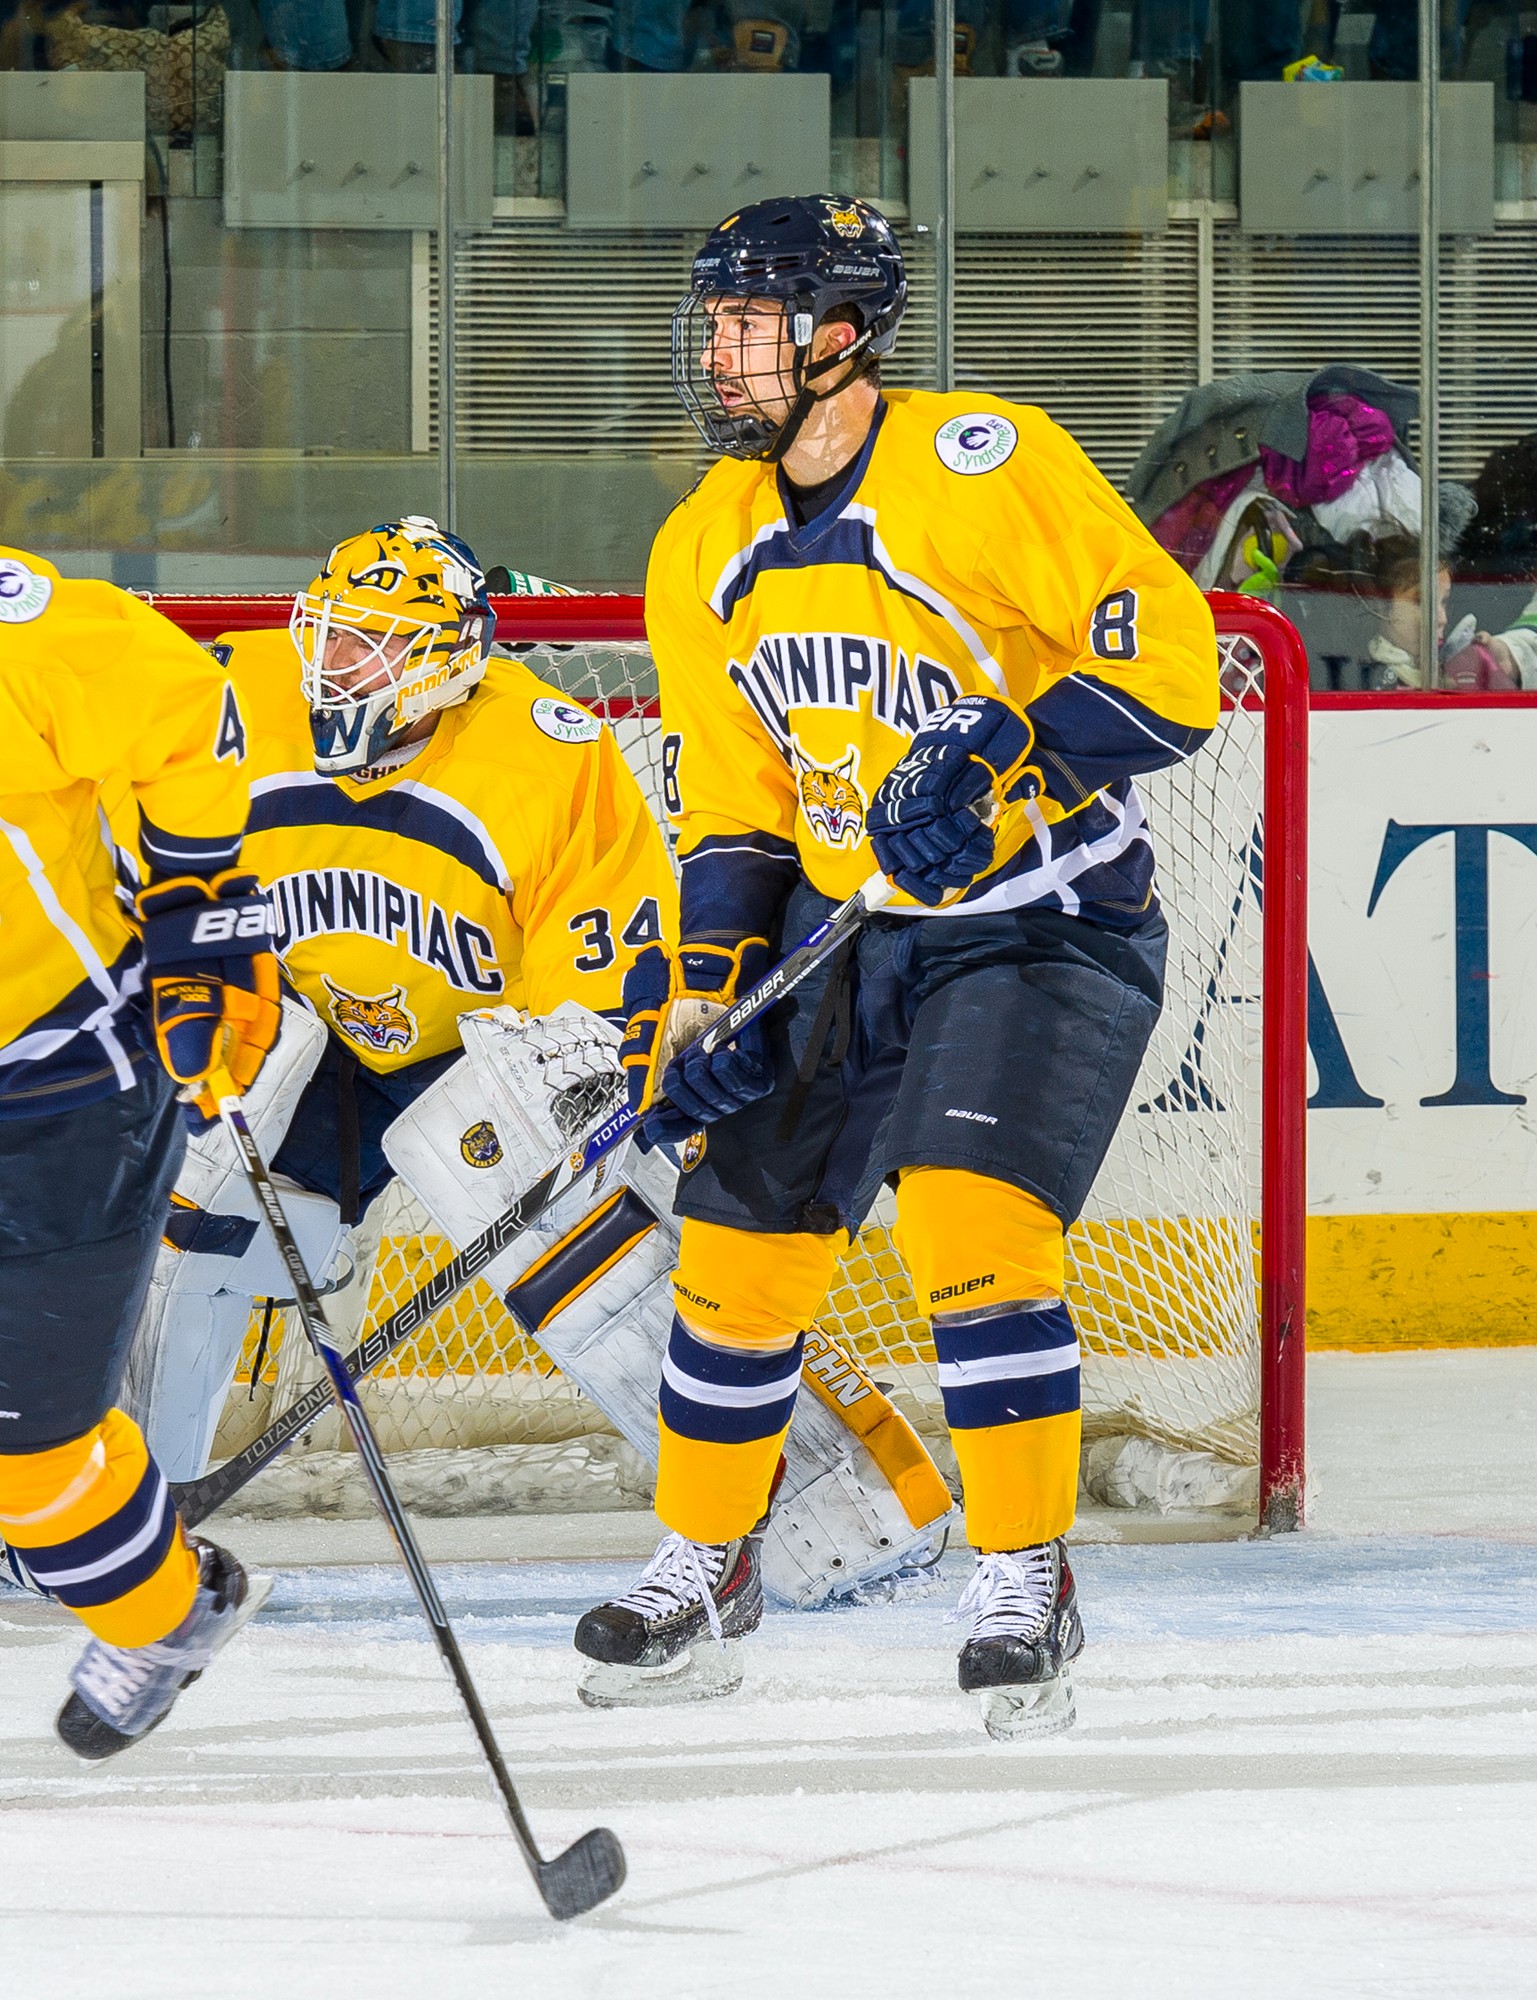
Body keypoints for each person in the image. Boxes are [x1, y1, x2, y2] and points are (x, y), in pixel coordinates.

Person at [572, 195, 1218, 1738]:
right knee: (737, 1259)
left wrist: (1005, 749)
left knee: (970, 1232)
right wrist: (709, 996)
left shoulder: (977, 463)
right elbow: (731, 807)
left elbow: (1174, 670)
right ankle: (705, 1563)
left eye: (746, 326)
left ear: (839, 335)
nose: (715, 356)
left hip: (1043, 921)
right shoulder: (701, 544)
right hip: (842, 932)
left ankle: (1022, 1574)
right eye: (713, 326)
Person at [122, 518, 680, 1488]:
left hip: (484, 1046)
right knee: (203, 1232)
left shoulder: (544, 755)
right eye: (329, 630)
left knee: (596, 1263)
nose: (333, 664)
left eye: (371, 641)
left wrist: (579, 1131)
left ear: (443, 663)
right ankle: (136, 1501)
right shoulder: (229, 695)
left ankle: (739, 1498)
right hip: (314, 1024)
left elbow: (597, 985)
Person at [0, 545, 279, 1760]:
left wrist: (197, 893)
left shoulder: (20, 628)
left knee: (36, 1460)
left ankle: (171, 1612)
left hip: (60, 1089)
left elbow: (186, 705)